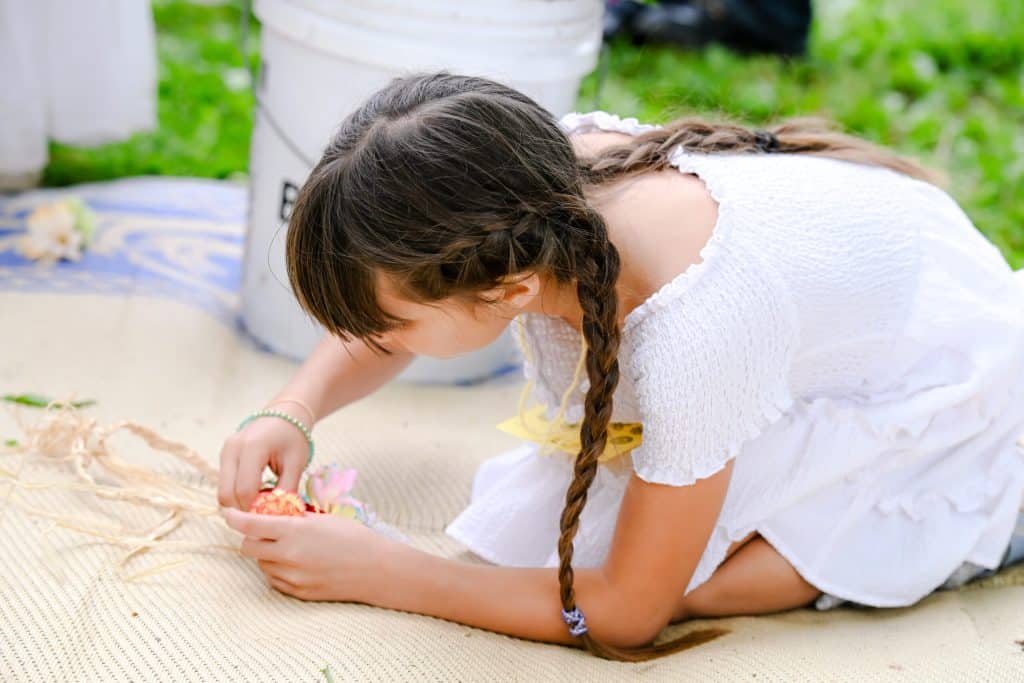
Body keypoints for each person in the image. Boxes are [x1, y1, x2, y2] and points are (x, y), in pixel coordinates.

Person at [217, 73, 1024, 662]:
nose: (369, 334)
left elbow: (629, 613)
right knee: (603, 533)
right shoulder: (526, 195)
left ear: (512, 291)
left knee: (700, 577)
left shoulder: (693, 324)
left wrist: (392, 573)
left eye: (386, 322)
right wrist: (293, 407)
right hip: (825, 320)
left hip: (945, 376)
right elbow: (400, 302)